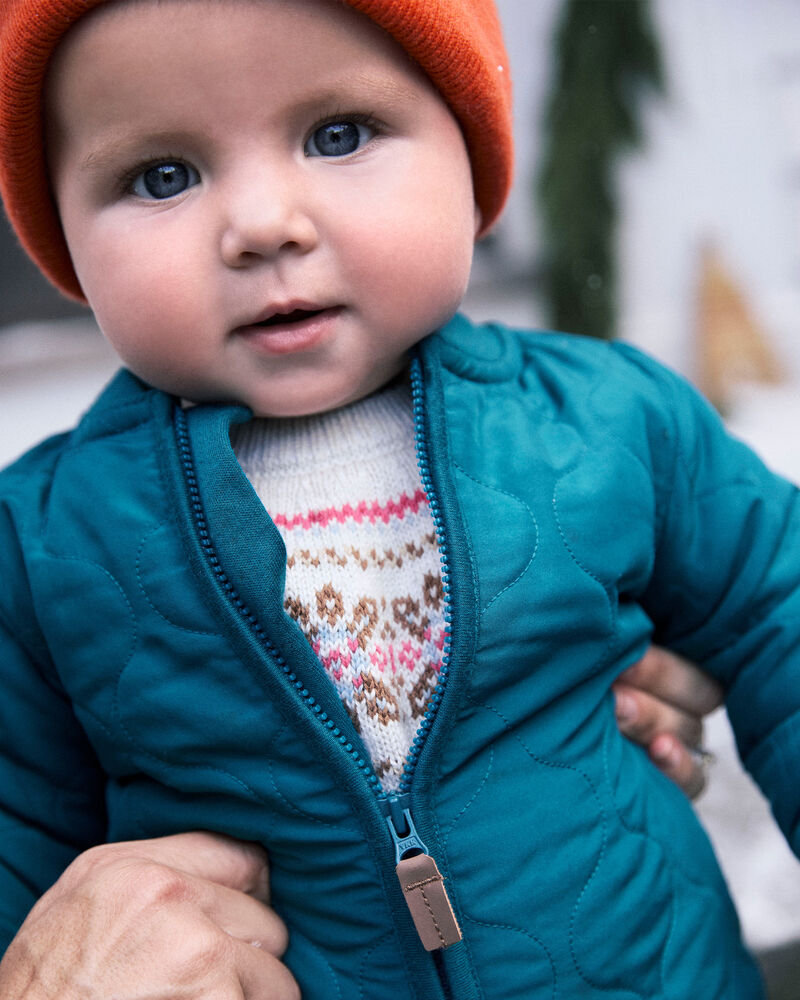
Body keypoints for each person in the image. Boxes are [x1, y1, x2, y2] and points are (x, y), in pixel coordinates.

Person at [0, 0, 793, 996]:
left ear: (470, 165)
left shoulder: (603, 419)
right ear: (64, 241)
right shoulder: (43, 541)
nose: (261, 226)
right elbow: (22, 849)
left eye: (338, 135)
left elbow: (782, 617)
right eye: (162, 176)